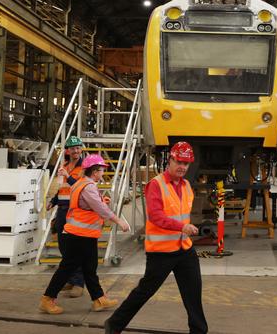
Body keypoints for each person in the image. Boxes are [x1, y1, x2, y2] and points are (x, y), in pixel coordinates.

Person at [105, 141, 207, 334]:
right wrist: (182, 226)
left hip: (184, 249)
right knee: (144, 292)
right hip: (162, 253)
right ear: (170, 160)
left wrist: (184, 229)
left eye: (186, 164)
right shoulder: (156, 185)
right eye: (179, 162)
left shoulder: (186, 186)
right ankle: (114, 324)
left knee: (193, 293)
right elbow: (156, 216)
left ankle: (199, 331)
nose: (182, 167)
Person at [39, 154, 129, 315]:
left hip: (83, 234)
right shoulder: (89, 186)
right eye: (102, 170)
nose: (103, 173)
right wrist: (118, 221)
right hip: (79, 235)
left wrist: (102, 202)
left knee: (89, 268)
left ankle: (99, 299)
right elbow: (99, 208)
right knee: (67, 268)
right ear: (94, 171)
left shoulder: (81, 183)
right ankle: (47, 299)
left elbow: (90, 205)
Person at [47, 135, 86, 297]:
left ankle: (78, 283)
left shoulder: (84, 167)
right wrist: (54, 201)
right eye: (73, 148)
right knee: (63, 246)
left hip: (75, 210)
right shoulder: (64, 165)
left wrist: (68, 176)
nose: (76, 151)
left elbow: (80, 187)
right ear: (67, 151)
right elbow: (62, 187)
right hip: (62, 209)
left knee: (74, 247)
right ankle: (70, 279)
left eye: (78, 148)